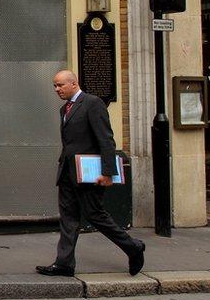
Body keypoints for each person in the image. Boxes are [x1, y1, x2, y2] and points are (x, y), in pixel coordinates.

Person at [36, 70, 145, 277]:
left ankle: (133, 247)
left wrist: (108, 173)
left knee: (96, 216)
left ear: (74, 83)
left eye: (60, 85)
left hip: (88, 174)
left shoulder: (92, 103)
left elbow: (106, 139)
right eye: (54, 86)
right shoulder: (64, 109)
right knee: (68, 218)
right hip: (67, 173)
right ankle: (64, 263)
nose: (56, 89)